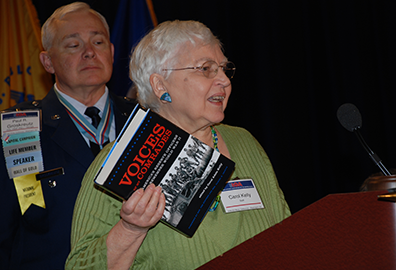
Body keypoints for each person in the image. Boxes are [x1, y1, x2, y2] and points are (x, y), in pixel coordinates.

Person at [66, 20, 291, 269]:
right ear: (161, 86)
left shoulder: (244, 142)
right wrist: (130, 229)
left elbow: (290, 237)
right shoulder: (117, 163)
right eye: (206, 69)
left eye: (224, 69)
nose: (224, 80)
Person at [0, 2, 135, 269]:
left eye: (98, 42)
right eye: (73, 45)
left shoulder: (144, 120)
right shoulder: (19, 129)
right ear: (47, 62)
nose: (89, 53)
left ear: (111, 51)